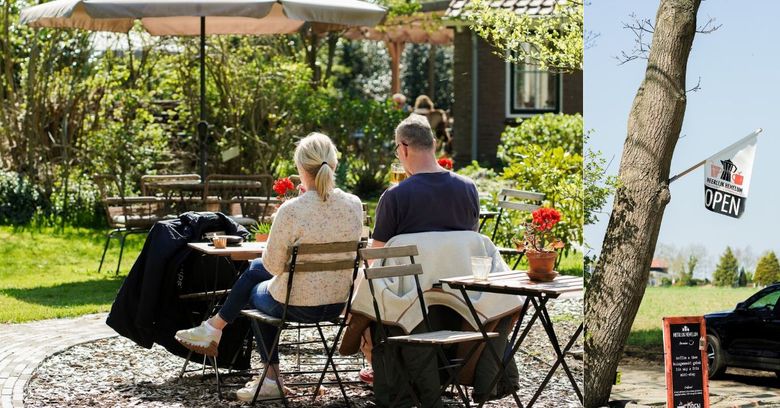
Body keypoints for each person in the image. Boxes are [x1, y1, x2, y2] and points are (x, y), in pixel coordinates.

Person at [174, 132, 364, 402]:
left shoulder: (292, 210)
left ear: (300, 169)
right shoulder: (353, 205)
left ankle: (266, 373)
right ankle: (215, 329)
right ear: (334, 165)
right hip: (337, 304)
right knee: (255, 271)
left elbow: (273, 266)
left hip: (295, 303)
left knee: (253, 288)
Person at [358, 113, 480, 383]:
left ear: (403, 148)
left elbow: (375, 260)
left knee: (363, 286)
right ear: (434, 144)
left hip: (405, 313)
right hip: (460, 308)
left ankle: (380, 363)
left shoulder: (395, 197)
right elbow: (471, 247)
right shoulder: (468, 189)